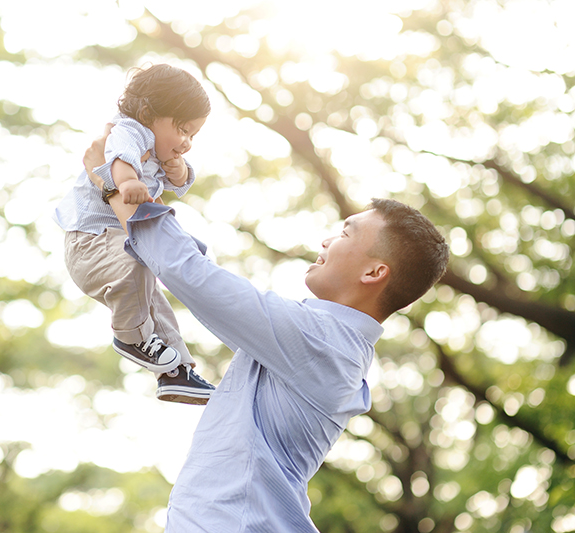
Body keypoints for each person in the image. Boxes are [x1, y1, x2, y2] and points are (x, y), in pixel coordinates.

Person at [83, 128, 450, 532]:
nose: (328, 240)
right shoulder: (324, 341)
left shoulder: (326, 343)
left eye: (345, 233)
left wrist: (111, 185)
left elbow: (191, 274)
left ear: (374, 272)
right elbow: (191, 273)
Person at [54, 64, 216, 404]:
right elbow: (118, 158)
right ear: (147, 114)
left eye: (193, 136)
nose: (186, 142)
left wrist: (182, 170)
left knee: (156, 306)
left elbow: (180, 182)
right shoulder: (130, 131)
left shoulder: (160, 150)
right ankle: (130, 337)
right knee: (138, 263)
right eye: (183, 130)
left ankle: (176, 373)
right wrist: (127, 182)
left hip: (112, 240)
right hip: (91, 241)